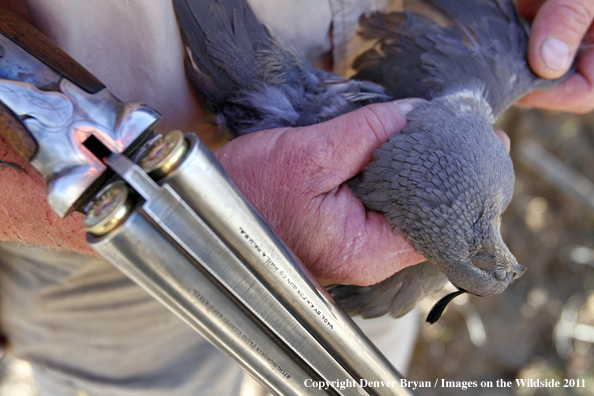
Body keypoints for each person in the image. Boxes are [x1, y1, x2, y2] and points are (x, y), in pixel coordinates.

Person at [0, 0, 592, 395]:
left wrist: (548, 30)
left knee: (357, 354)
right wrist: (178, 216)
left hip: (368, 260)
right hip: (96, 239)